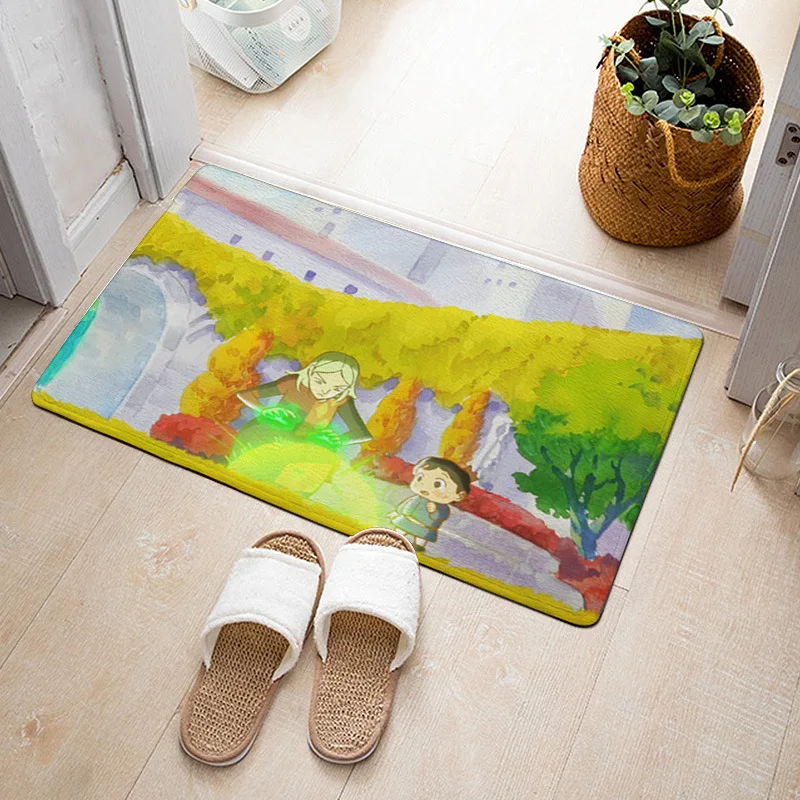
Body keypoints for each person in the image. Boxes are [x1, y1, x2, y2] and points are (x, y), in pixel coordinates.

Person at [237, 351, 372, 449]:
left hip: (300, 447)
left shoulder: (340, 400)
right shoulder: (293, 383)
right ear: (311, 372)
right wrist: (264, 410)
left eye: (337, 388)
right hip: (265, 434)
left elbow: (362, 434)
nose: (325, 390)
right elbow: (246, 394)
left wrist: (339, 439)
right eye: (319, 381)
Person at [388, 457, 471, 553]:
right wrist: (397, 512)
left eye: (438, 484)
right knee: (400, 530)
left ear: (459, 495)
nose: (425, 487)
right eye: (420, 478)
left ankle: (418, 546)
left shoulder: (442, 507)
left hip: (424, 527)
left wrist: (435, 511)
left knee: (421, 537)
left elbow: (442, 516)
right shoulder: (416, 499)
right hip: (407, 520)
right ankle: (395, 538)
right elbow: (405, 505)